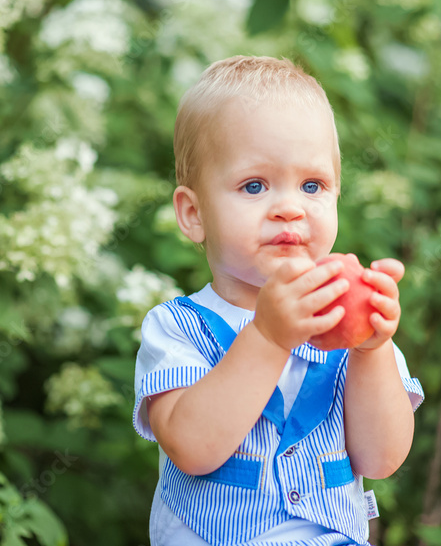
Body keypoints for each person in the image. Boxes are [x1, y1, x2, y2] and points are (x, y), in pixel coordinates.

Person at [132, 55, 425, 546]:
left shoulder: (346, 327)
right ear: (193, 213)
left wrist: (371, 350)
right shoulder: (178, 329)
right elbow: (192, 447)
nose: (289, 208)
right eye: (254, 185)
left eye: (312, 185)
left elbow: (381, 459)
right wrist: (267, 336)